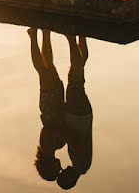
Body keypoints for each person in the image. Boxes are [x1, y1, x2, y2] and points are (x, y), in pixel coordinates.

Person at [28, 28, 67, 182]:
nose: (60, 167)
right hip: (53, 106)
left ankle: (33, 36)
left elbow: (50, 129)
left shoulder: (47, 147)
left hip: (50, 108)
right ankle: (45, 33)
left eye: (57, 169)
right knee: (48, 66)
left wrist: (64, 135)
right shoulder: (55, 146)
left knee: (43, 71)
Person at [57, 35, 93, 190]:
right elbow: (76, 139)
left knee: (78, 71)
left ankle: (81, 36)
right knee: (74, 77)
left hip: (83, 114)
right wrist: (61, 131)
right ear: (69, 178)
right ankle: (72, 38)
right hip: (77, 114)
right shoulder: (80, 163)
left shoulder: (83, 165)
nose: (63, 169)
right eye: (63, 173)